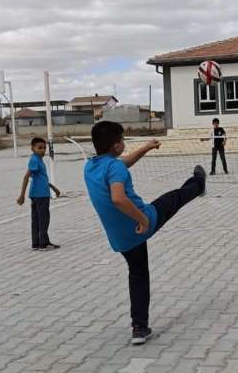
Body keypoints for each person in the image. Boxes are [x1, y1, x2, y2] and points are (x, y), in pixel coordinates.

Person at [84, 121, 206, 345]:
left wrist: (146, 148)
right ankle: (199, 183)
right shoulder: (115, 168)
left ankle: (139, 327)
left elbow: (122, 165)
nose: (123, 143)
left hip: (120, 238)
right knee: (174, 198)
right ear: (115, 145)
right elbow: (118, 198)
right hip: (142, 221)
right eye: (121, 139)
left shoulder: (92, 166)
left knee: (138, 273)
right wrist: (142, 220)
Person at [17, 137, 61, 250]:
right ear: (32, 148)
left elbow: (42, 178)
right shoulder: (35, 160)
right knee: (43, 219)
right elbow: (26, 177)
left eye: (44, 148)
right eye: (39, 148)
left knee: (37, 219)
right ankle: (43, 244)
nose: (42, 150)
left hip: (39, 193)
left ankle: (36, 243)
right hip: (40, 194)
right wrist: (21, 195)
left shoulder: (38, 160)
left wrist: (54, 188)